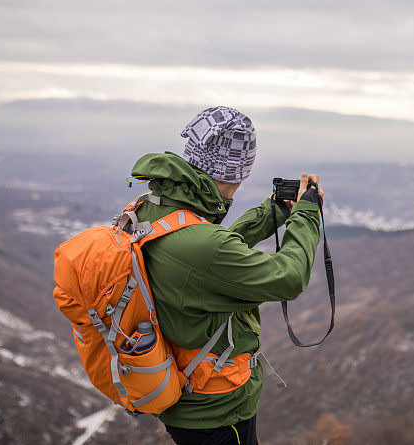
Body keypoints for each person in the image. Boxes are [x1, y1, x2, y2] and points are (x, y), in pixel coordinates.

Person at [128, 106, 323, 445]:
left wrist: (272, 212)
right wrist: (306, 215)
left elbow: (206, 255)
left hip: (186, 394)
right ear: (229, 174)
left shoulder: (155, 207)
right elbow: (289, 277)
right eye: (239, 176)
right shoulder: (201, 245)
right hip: (215, 412)